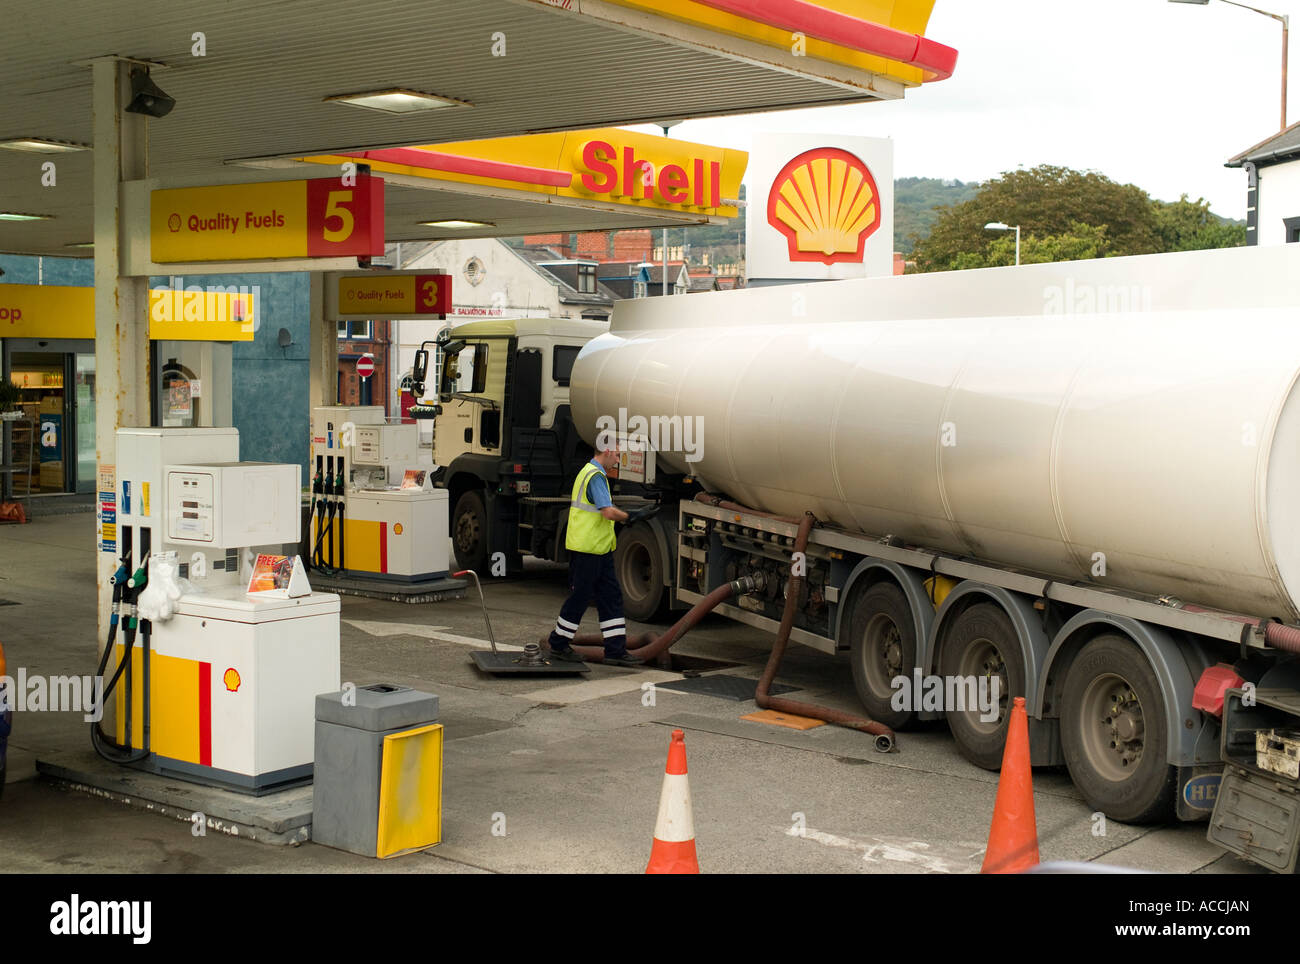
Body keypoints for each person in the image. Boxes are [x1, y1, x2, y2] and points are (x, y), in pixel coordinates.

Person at [548, 440, 655, 666]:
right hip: (588, 549)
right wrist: (631, 516)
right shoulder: (595, 476)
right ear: (606, 451)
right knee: (581, 597)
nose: (618, 459)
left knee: (611, 597)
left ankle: (615, 650)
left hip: (599, 549)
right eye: (616, 454)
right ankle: (558, 644)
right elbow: (607, 512)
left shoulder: (589, 473)